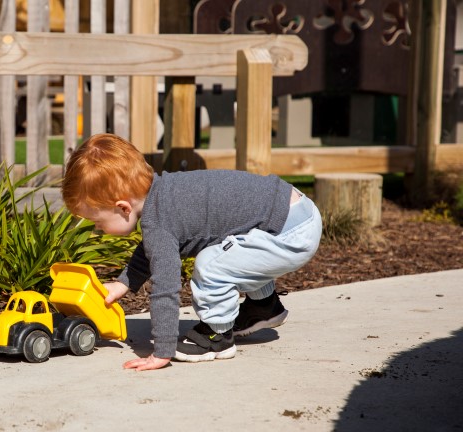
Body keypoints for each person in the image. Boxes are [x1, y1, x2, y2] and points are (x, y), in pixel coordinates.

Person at [61, 133, 322, 371]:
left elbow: (165, 287)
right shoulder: (164, 194)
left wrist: (162, 350)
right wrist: (123, 284)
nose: (99, 230)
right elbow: (151, 251)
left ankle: (216, 336)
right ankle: (265, 307)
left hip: (290, 233)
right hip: (292, 214)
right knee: (230, 247)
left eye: (98, 222)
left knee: (211, 264)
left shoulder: (159, 222)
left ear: (123, 208)